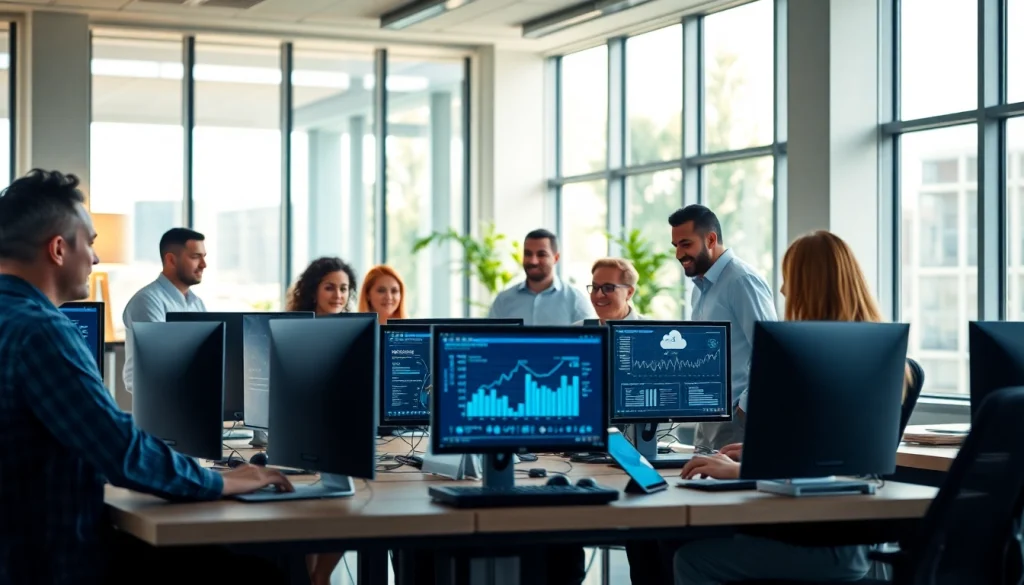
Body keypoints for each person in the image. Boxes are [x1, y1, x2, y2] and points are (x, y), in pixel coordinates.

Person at [0, 170, 294, 585]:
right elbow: (119, 449)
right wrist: (220, 479)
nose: (97, 259)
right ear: (59, 249)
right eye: (92, 243)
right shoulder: (42, 330)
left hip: (20, 550)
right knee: (267, 571)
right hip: (54, 562)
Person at [672, 230, 917, 585]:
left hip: (823, 544)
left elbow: (825, 471)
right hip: (859, 542)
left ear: (809, 285)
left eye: (790, 279)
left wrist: (742, 472)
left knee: (691, 559)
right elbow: (833, 457)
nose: (784, 290)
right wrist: (767, 455)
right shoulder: (883, 357)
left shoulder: (810, 360)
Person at [669, 205, 777, 451]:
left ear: (711, 239)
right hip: (709, 415)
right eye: (675, 246)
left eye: (685, 244)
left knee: (730, 489)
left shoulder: (741, 281)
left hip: (737, 418)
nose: (678, 254)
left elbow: (770, 351)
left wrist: (744, 408)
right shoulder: (702, 287)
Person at [122, 227, 208, 394]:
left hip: (191, 396)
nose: (204, 265)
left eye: (204, 257)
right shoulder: (147, 301)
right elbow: (160, 365)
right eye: (195, 257)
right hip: (160, 402)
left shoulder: (197, 303)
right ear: (171, 260)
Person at [489, 228, 595, 325]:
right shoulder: (503, 301)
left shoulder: (575, 300)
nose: (533, 261)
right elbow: (490, 339)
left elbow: (590, 341)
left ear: (556, 258)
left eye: (541, 254)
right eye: (528, 254)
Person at [576, 257, 643, 324]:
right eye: (595, 287)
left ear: (629, 292)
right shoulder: (576, 331)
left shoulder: (651, 330)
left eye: (608, 288)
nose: (599, 295)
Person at [286, 256, 358, 315]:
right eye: (329, 288)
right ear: (313, 291)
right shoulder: (295, 328)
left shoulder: (354, 329)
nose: (338, 296)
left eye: (343, 289)